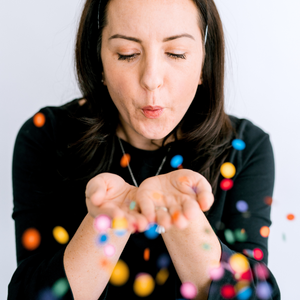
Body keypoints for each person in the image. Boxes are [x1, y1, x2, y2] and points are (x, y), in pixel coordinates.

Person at [8, 0, 281, 299]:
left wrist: (184, 222)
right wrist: (105, 225)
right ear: (98, 60)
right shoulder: (48, 136)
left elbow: (258, 294)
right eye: (127, 54)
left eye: (176, 53)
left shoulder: (244, 147)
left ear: (204, 61)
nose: (151, 80)